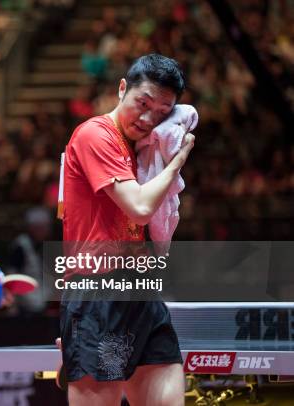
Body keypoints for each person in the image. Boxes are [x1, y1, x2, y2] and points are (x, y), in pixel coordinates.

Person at [60, 54, 195, 405]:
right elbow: (138, 208)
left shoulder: (144, 150)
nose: (149, 117)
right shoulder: (94, 135)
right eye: (142, 103)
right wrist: (179, 160)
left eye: (162, 111)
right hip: (97, 295)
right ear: (122, 88)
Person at [7, 206, 52, 315]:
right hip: (25, 305)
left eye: (46, 227)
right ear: (32, 228)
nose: (45, 231)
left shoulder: (45, 244)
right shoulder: (20, 246)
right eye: (41, 227)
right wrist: (13, 303)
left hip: (44, 303)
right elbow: (11, 274)